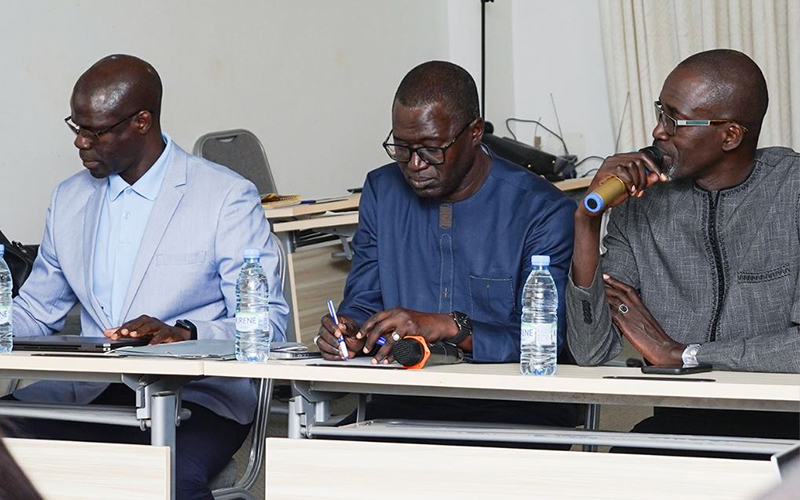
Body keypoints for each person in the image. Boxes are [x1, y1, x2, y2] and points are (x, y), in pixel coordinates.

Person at [6, 55, 288, 499]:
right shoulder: (68, 199)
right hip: (92, 390)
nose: (80, 142)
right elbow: (37, 312)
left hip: (195, 398)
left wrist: (183, 333)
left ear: (142, 122)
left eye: (95, 131)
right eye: (75, 126)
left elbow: (268, 325)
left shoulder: (224, 197)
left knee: (165, 481)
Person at [316, 60, 579, 430]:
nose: (415, 164)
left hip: (514, 406)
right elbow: (363, 300)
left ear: (474, 133)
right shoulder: (382, 192)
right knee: (315, 468)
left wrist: (450, 326)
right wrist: (350, 330)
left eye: (431, 148)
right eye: (402, 148)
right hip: (404, 400)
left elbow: (546, 339)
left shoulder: (541, 209)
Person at [566, 49, 799, 448]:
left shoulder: (791, 191)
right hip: (681, 426)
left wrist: (683, 354)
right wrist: (587, 222)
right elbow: (591, 352)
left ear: (730, 135)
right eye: (661, 113)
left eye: (674, 121)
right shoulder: (640, 203)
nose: (658, 132)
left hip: (786, 431)